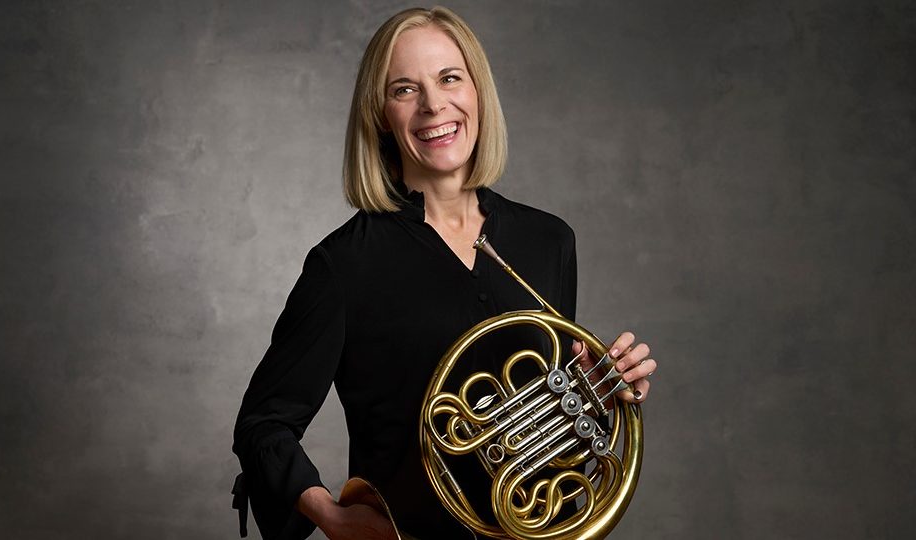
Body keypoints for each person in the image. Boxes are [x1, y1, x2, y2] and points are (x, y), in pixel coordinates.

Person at [232, 7, 657, 539]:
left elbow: (550, 415)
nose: (434, 105)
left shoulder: (549, 241)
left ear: (477, 92)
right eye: (405, 89)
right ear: (380, 115)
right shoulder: (344, 265)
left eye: (450, 78)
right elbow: (263, 423)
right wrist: (332, 516)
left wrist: (599, 391)